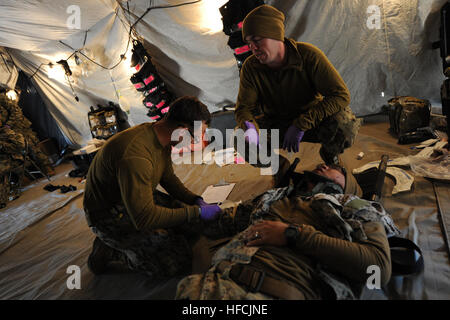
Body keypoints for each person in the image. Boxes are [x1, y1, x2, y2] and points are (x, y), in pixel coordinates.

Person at [176, 163, 396, 300]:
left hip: (268, 292)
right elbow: (222, 221)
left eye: (334, 168)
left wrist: (293, 234)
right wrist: (179, 211)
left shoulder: (352, 204)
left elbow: (378, 269)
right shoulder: (275, 198)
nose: (323, 165)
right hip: (205, 288)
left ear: (348, 185)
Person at [83, 96, 223, 277]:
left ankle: (144, 239)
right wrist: (196, 211)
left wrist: (195, 200)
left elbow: (168, 178)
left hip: (133, 196)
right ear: (182, 130)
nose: (198, 141)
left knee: (192, 225)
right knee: (175, 262)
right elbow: (144, 218)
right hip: (108, 214)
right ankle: (111, 250)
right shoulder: (136, 157)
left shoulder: (162, 135)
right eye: (197, 136)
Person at [234, 5, 361, 172]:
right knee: (239, 136)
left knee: (344, 123)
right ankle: (279, 167)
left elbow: (340, 95)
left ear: (275, 35)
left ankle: (330, 158)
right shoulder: (251, 67)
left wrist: (301, 124)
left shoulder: (308, 55)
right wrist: (249, 126)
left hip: (311, 121)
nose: (253, 48)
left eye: (257, 40)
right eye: (249, 43)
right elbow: (244, 108)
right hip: (276, 123)